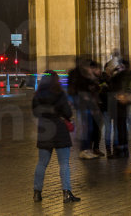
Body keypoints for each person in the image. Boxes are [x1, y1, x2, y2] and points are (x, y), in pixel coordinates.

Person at [31, 71, 79, 203]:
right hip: (59, 129)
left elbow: (35, 112)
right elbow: (67, 113)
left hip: (45, 130)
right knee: (64, 163)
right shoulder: (60, 93)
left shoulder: (38, 95)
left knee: (41, 163)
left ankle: (37, 193)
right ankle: (66, 193)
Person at [103, 50, 128, 158]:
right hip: (120, 105)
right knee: (121, 128)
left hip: (117, 106)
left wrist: (109, 78)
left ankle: (119, 151)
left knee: (119, 128)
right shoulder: (123, 73)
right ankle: (123, 150)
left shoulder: (117, 77)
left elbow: (112, 89)